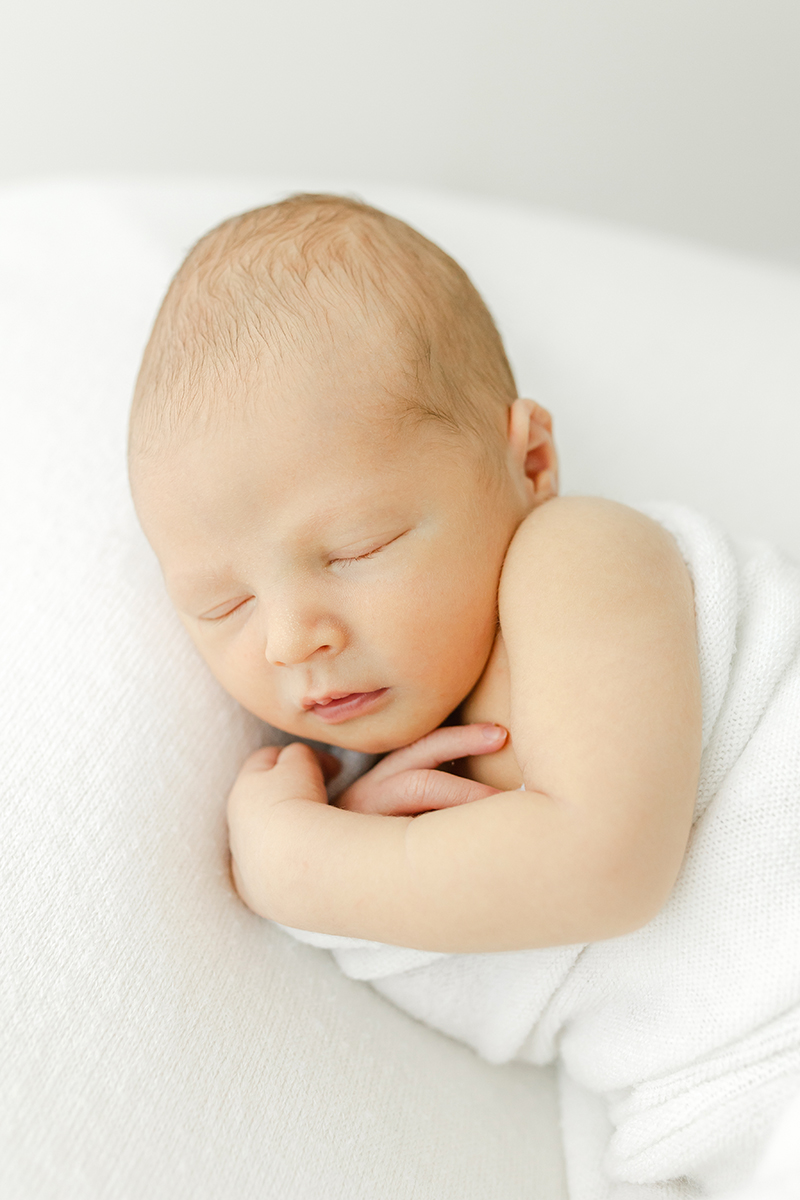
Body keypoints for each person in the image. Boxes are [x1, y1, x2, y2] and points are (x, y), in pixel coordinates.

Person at [128, 193, 800, 1197]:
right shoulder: (368, 780)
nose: (287, 636)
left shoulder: (577, 560)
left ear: (526, 462)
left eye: (354, 549)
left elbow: (603, 863)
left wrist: (303, 865)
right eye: (218, 603)